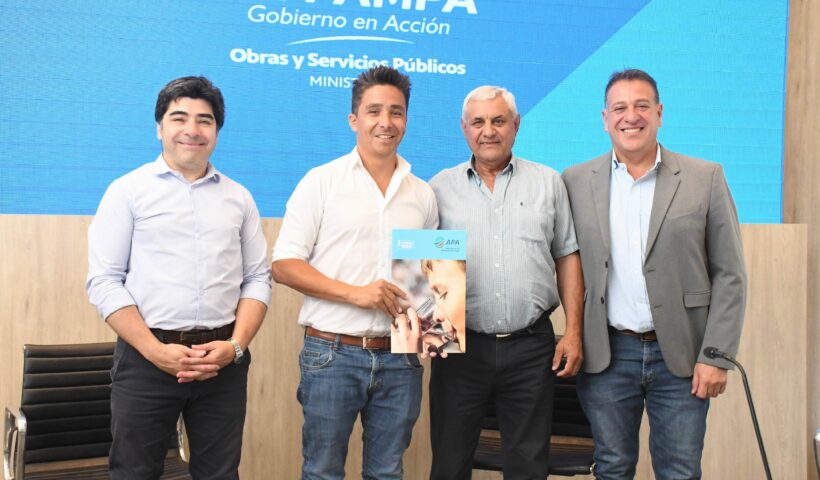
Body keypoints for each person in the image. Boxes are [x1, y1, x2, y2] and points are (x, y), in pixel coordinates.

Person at [562, 68, 747, 479]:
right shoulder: (574, 181)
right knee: (611, 469)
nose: (631, 116)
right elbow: (566, 261)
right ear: (605, 119)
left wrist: (715, 356)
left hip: (681, 356)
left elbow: (730, 274)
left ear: (659, 113)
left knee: (680, 471)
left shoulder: (705, 177)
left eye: (642, 106)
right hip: (607, 355)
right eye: (620, 108)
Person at [86, 76, 272, 479]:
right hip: (146, 360)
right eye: (179, 118)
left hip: (222, 362)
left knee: (220, 474)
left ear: (217, 131)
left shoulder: (239, 198)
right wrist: (155, 351)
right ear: (160, 127)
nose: (192, 129)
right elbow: (104, 281)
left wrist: (236, 346)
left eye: (205, 120)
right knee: (134, 472)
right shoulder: (127, 191)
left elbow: (258, 278)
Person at [271, 66, 438, 480]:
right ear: (354, 120)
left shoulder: (423, 194)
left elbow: (427, 279)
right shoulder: (321, 182)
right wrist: (356, 294)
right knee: (323, 472)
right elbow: (284, 265)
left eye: (396, 112)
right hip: (332, 354)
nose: (386, 122)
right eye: (374, 111)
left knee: (387, 473)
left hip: (400, 359)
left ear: (406, 119)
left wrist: (434, 328)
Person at [428, 85, 585, 479]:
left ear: (516, 125)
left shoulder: (548, 182)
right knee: (449, 463)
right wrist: (426, 332)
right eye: (478, 122)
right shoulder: (438, 188)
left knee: (528, 467)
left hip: (531, 347)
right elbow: (423, 266)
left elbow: (567, 255)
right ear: (464, 128)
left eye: (498, 121)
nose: (489, 131)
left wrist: (573, 331)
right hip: (459, 349)